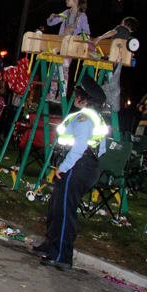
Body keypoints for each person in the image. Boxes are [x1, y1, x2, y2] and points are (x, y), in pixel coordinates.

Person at [36, 75, 108, 270]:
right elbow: (102, 148)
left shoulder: (84, 118)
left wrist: (64, 167)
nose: (75, 97)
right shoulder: (95, 117)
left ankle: (61, 255)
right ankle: (50, 244)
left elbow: (79, 147)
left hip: (77, 166)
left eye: (78, 94)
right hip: (87, 166)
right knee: (56, 206)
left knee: (64, 211)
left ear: (85, 98)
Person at [45, 0, 89, 102]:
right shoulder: (66, 13)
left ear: (75, 1)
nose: (66, 1)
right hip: (61, 45)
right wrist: (51, 18)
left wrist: (73, 30)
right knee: (55, 68)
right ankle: (51, 93)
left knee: (63, 69)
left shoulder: (82, 16)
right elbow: (51, 22)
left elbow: (86, 32)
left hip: (71, 47)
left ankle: (61, 94)